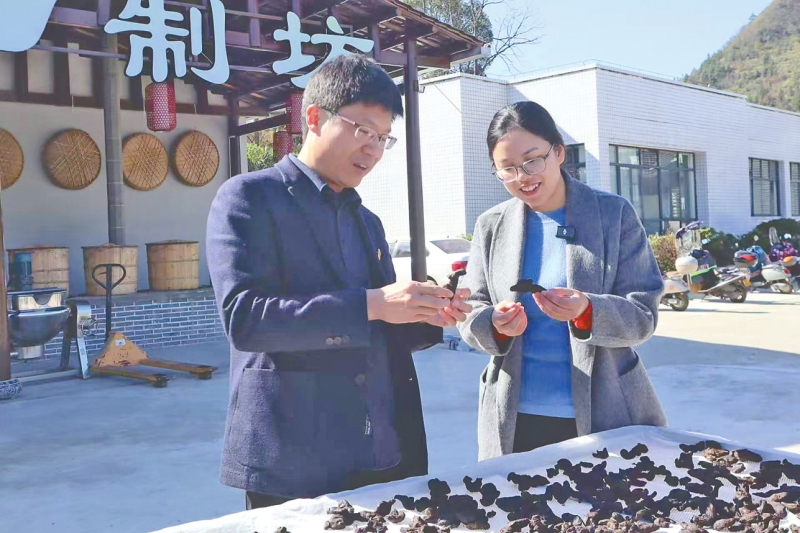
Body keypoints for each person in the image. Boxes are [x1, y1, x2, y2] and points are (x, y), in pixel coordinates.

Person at [206, 55, 471, 509]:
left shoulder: (367, 221)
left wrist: (427, 314)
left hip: (380, 446)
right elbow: (246, 320)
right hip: (296, 457)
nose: (373, 150)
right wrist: (370, 303)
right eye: (363, 130)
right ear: (314, 118)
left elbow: (380, 327)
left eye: (383, 138)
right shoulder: (250, 197)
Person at [457, 101, 667, 460]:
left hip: (607, 410)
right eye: (507, 168)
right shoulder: (490, 225)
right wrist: (493, 323)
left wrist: (588, 310)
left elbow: (642, 315)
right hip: (515, 416)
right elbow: (470, 310)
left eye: (532, 160)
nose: (523, 176)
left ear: (558, 152)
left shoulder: (613, 214)